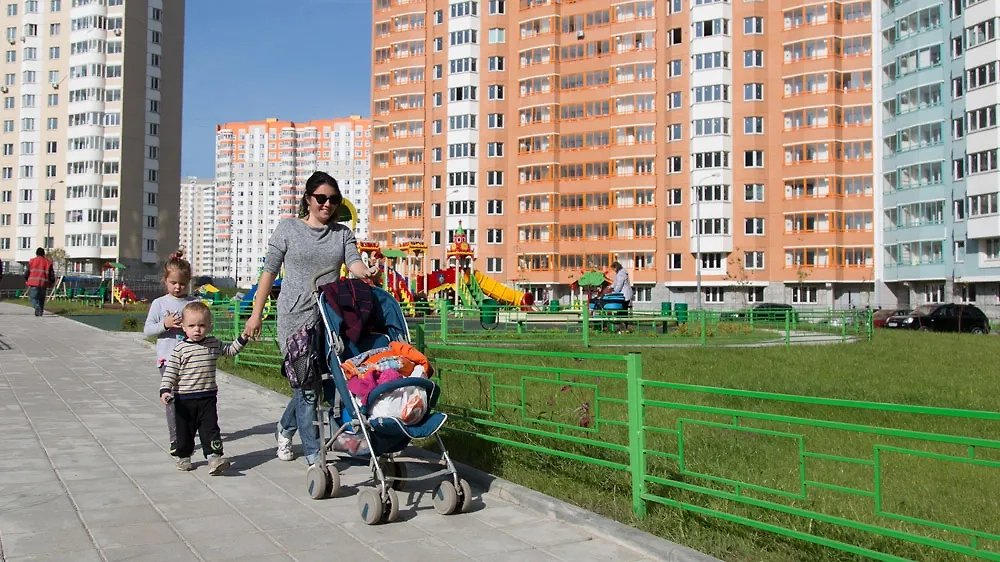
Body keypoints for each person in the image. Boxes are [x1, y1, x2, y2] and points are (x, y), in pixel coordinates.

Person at [243, 171, 375, 466]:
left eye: (333, 200)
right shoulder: (288, 229)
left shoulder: (342, 234)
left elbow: (353, 261)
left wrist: (364, 271)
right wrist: (256, 315)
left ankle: (285, 428)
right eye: (321, 198)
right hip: (294, 318)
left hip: (330, 320)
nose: (326, 204)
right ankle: (315, 455)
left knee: (318, 385)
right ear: (308, 199)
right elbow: (269, 273)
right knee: (306, 385)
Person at [160, 301, 248, 473]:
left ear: (209, 326)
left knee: (211, 428)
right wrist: (164, 390)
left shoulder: (213, 344)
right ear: (184, 327)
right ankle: (184, 457)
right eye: (192, 325)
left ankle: (214, 458)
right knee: (185, 430)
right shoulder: (181, 349)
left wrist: (243, 338)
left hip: (208, 397)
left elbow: (230, 351)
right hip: (184, 399)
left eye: (201, 325)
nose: (197, 330)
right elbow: (171, 371)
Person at [144, 250, 198, 456]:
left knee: (190, 399)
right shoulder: (159, 304)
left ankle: (189, 431)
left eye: (182, 284)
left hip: (191, 361)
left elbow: (203, 327)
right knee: (172, 399)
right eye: (173, 283)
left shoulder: (193, 304)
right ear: (165, 281)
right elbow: (147, 330)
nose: (178, 287)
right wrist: (165, 324)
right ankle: (176, 438)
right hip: (168, 360)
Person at [25, 248, 55, 316]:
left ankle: (37, 307)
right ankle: (40, 311)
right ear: (44, 254)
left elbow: (27, 272)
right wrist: (51, 282)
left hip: (34, 283)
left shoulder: (32, 261)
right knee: (41, 299)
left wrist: (26, 279)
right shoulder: (48, 262)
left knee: (33, 298)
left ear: (36, 253)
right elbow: (51, 274)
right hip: (43, 283)